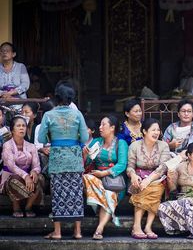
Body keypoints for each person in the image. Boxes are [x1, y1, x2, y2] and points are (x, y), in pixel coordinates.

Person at [38, 82, 89, 240]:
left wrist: (52, 137)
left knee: (58, 195)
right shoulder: (78, 114)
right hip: (74, 158)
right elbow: (85, 138)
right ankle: (78, 232)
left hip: (57, 159)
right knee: (75, 195)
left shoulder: (49, 115)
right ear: (71, 98)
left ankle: (58, 232)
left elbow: (40, 138)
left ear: (56, 97)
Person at [83, 115, 128, 240]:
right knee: (87, 178)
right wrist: (85, 155)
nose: (100, 127)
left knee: (110, 194)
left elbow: (122, 164)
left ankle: (99, 228)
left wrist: (104, 173)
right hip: (96, 180)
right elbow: (86, 164)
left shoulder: (121, 143)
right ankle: (100, 224)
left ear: (112, 128)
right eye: (100, 125)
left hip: (114, 182)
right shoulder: (96, 142)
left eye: (103, 125)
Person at [158, 142, 193, 239]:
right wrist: (170, 179)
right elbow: (173, 189)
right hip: (183, 198)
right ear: (189, 155)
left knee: (186, 203)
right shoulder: (181, 167)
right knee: (162, 207)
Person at [127, 118, 170, 239]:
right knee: (140, 187)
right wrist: (133, 175)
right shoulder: (134, 145)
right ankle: (137, 226)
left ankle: (147, 227)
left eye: (158, 130)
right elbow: (130, 167)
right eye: (153, 130)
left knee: (155, 188)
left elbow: (163, 167)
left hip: (157, 177)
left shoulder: (163, 145)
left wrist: (149, 180)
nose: (156, 132)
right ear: (144, 131)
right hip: (139, 176)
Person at [0, 116, 44, 218]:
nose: (21, 128)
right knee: (14, 179)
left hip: (27, 178)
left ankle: (28, 207)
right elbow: (11, 166)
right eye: (18, 126)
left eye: (24, 126)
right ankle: (16, 207)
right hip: (10, 177)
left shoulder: (31, 146)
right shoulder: (7, 145)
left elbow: (36, 165)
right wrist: (25, 176)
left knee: (39, 178)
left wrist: (34, 171)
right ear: (12, 130)